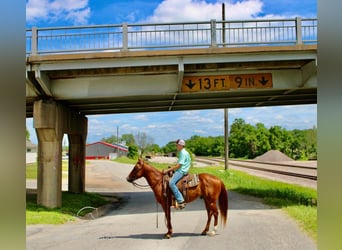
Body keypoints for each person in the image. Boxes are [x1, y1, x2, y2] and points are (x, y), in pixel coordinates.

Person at [163, 139, 191, 209]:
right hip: (182, 170)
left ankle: (180, 200)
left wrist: (168, 170)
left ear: (181, 145)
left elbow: (179, 166)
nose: (176, 146)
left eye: (177, 145)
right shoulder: (184, 152)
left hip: (181, 171)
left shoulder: (183, 153)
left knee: (171, 183)